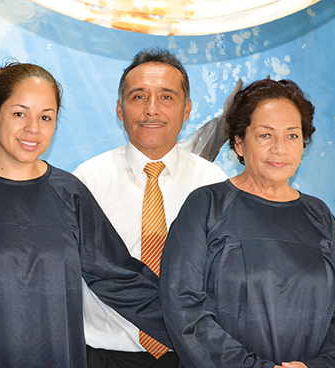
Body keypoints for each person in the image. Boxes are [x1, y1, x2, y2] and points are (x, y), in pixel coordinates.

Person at [0, 61, 171, 368]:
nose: (33, 128)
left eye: (45, 117)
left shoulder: (70, 193)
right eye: (19, 113)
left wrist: (198, 333)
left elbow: (120, 279)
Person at [160, 79, 335, 368]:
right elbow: (183, 309)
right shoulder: (206, 206)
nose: (280, 149)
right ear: (239, 143)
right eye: (265, 136)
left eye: (292, 136)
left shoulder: (319, 215)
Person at [73, 47, 227, 367]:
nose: (151, 110)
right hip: (103, 355)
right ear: (120, 109)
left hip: (188, 356)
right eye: (138, 96)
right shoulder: (85, 181)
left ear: (187, 109)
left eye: (166, 97)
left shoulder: (214, 183)